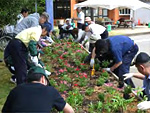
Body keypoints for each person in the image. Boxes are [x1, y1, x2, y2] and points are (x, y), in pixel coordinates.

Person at [2, 66, 74, 113]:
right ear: (43, 79)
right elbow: (70, 111)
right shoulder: (50, 91)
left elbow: (5, 111)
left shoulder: (16, 90)